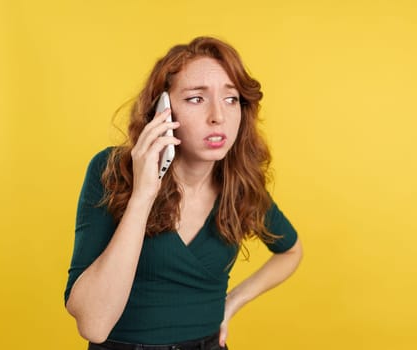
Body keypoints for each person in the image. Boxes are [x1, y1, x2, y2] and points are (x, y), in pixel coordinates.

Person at [64, 36, 303, 350]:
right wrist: (143, 195)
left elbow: (291, 251)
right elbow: (93, 324)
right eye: (196, 99)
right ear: (162, 111)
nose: (218, 115)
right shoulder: (111, 171)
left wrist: (231, 303)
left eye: (231, 99)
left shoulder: (239, 185)